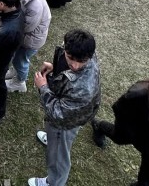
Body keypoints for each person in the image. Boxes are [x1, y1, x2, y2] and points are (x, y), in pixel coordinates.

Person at [28, 29, 101, 186]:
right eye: (70, 58)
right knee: (55, 140)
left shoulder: (83, 89)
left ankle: (53, 182)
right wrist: (55, 66)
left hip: (64, 124)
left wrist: (43, 88)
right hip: (70, 114)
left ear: (88, 56)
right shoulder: (84, 51)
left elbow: (58, 113)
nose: (74, 65)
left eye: (80, 61)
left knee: (58, 159)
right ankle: (52, 139)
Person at [5, 0, 51, 93]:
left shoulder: (34, 6)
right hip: (26, 37)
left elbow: (26, 27)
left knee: (21, 60)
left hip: (30, 40)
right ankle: (15, 72)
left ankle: (19, 82)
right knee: (17, 58)